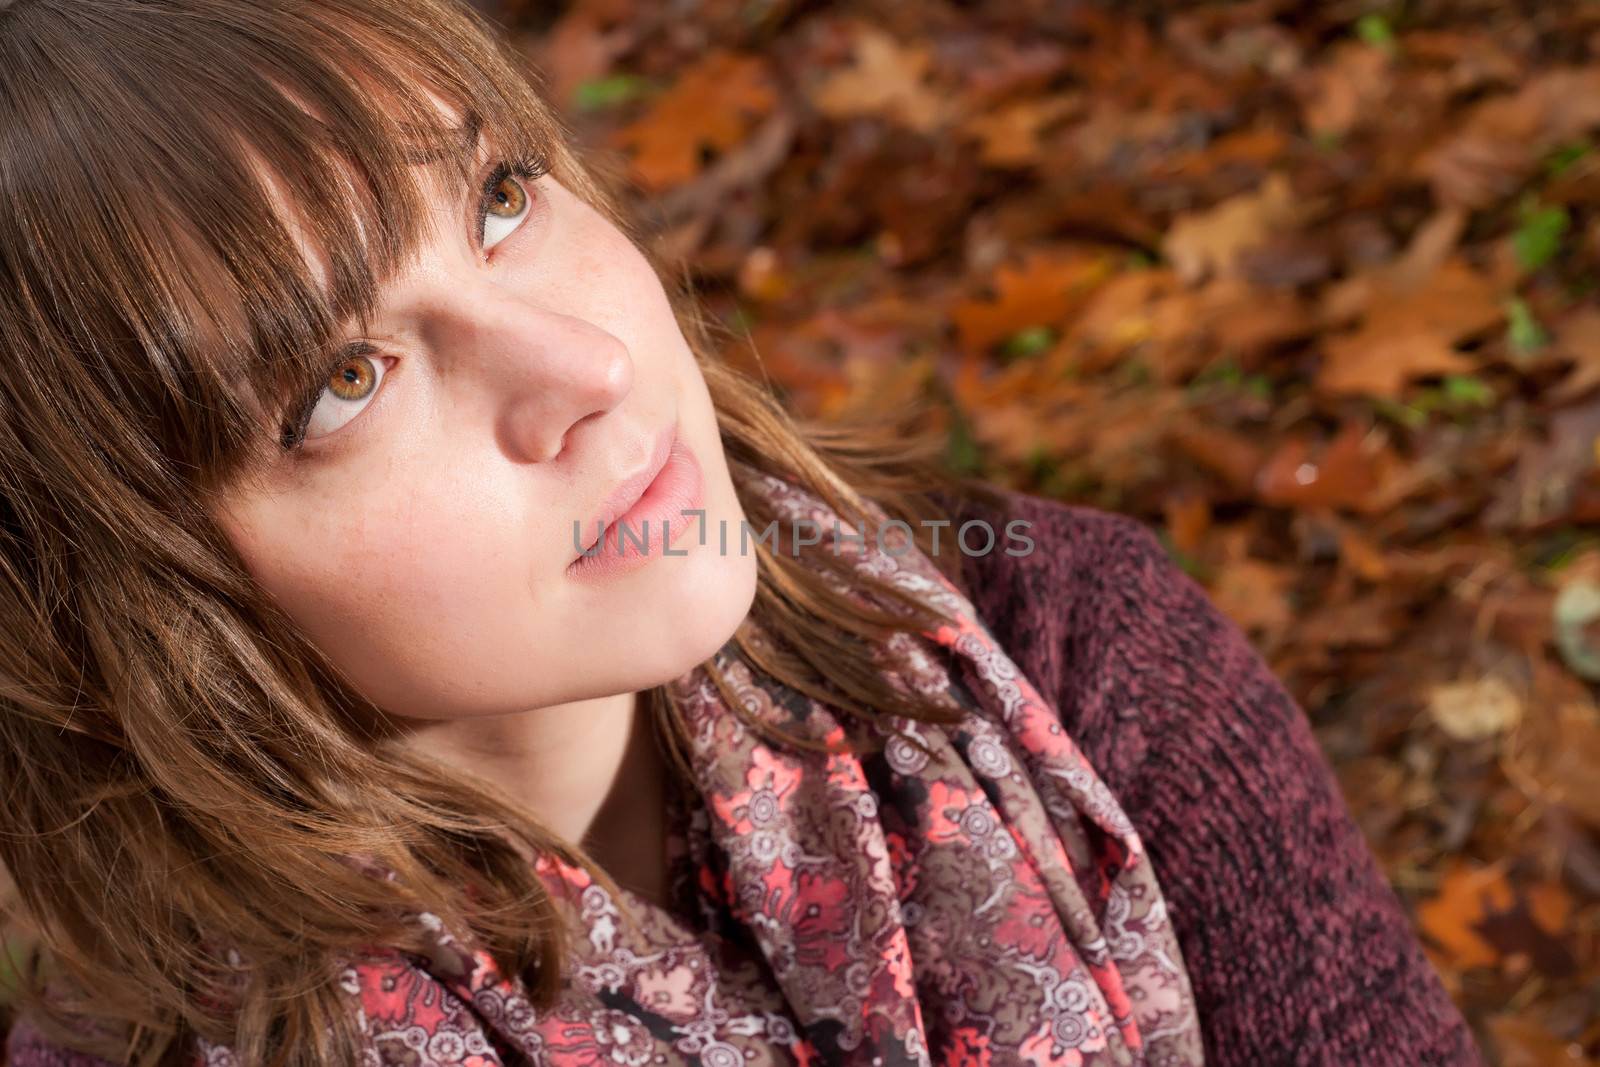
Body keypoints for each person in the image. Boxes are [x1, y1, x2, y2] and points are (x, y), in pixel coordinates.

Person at [0, 0, 1482, 1064]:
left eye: (503, 196)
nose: (585, 370)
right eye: (345, 380)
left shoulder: (1063, 651)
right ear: (119, 597)